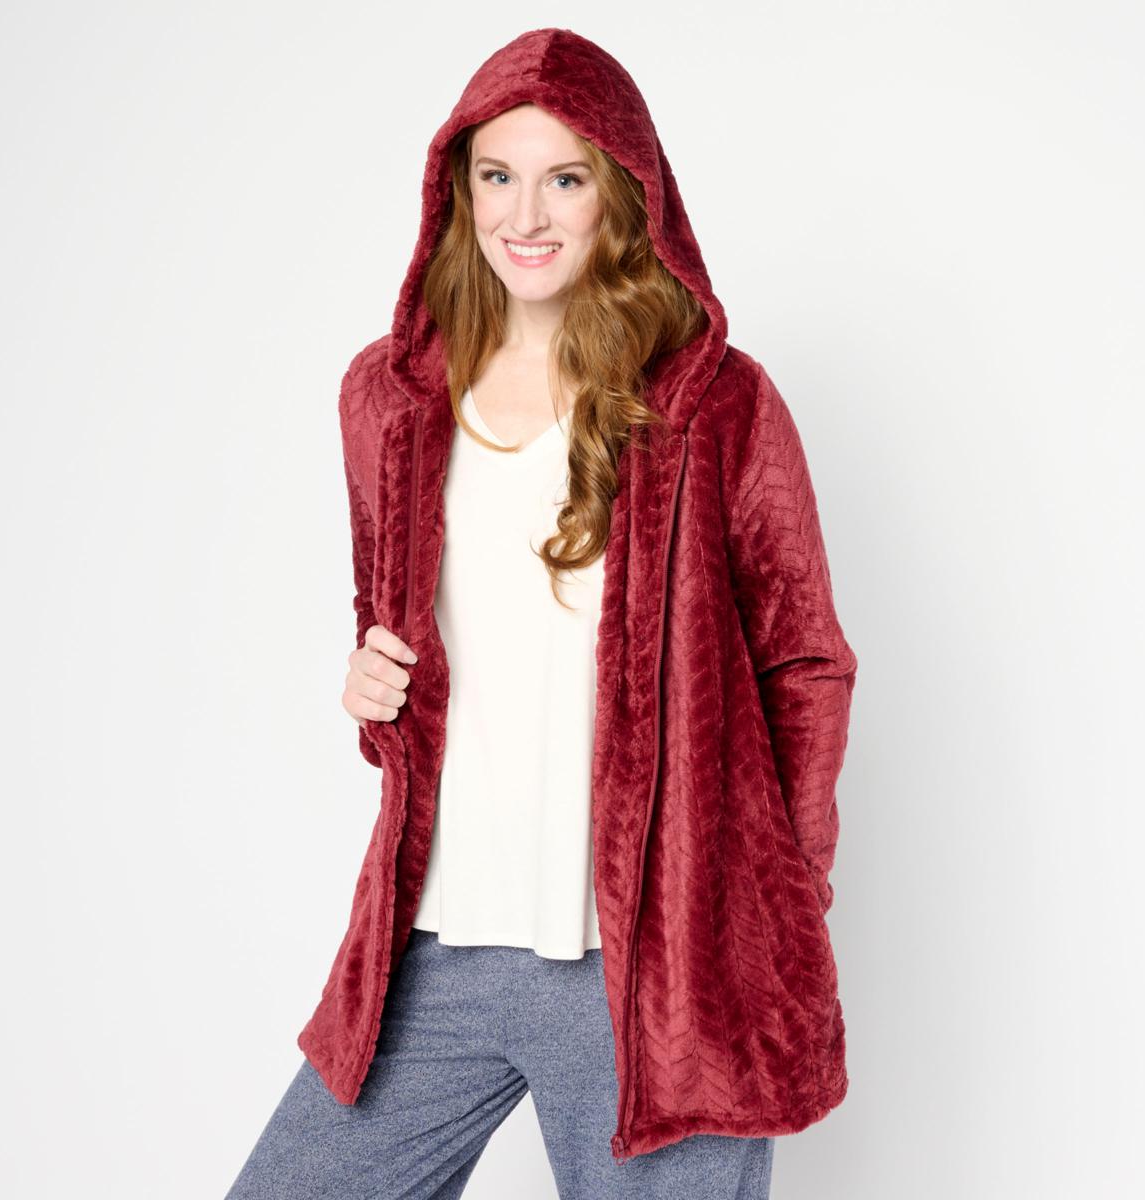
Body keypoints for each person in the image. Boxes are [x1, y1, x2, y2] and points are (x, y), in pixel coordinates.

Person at [225, 26, 857, 1200]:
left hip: (655, 974)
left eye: (564, 178)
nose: (527, 214)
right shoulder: (389, 399)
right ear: (457, 192)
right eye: (497, 176)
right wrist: (371, 687)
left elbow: (804, 664)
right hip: (435, 950)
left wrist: (777, 901)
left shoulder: (711, 403)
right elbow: (400, 651)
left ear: (622, 191)